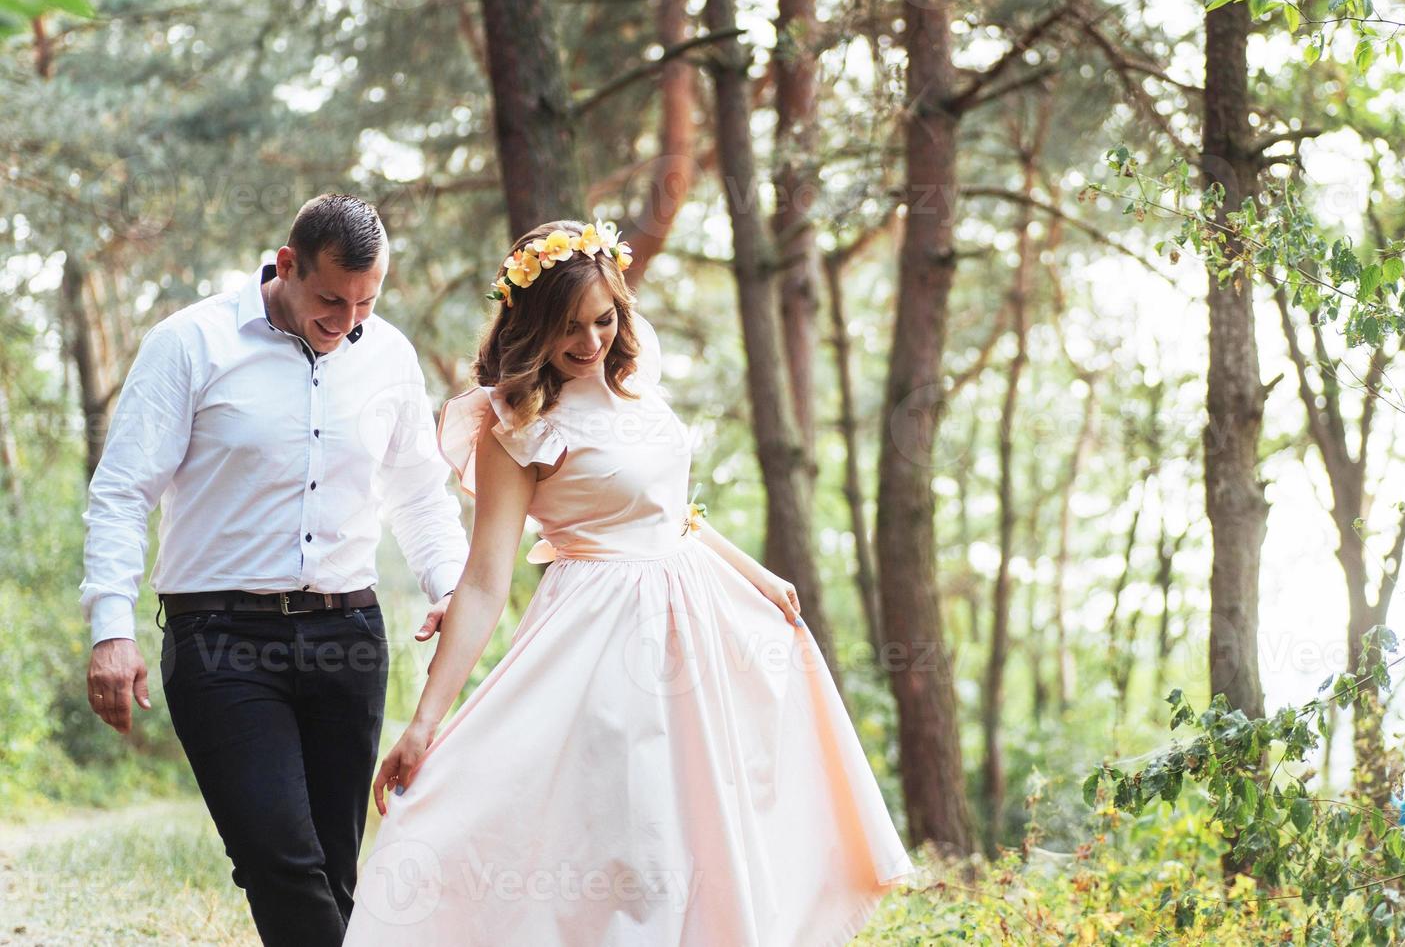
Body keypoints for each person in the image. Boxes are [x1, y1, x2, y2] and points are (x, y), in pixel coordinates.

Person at [342, 218, 915, 946]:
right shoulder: (515, 423)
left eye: (604, 320)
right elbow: (486, 579)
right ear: (530, 324)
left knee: (704, 830)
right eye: (568, 328)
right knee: (624, 843)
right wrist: (424, 723)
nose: (589, 343)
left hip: (699, 618)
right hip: (599, 635)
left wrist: (753, 571)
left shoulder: (637, 387)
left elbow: (666, 511)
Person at [80, 193, 471, 946]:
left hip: (349, 633)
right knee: (279, 859)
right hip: (220, 639)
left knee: (333, 870)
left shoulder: (387, 354)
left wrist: (449, 585)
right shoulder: (190, 344)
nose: (347, 320)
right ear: (285, 265)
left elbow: (419, 492)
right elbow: (123, 492)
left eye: (366, 301)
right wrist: (110, 628)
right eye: (331, 298)